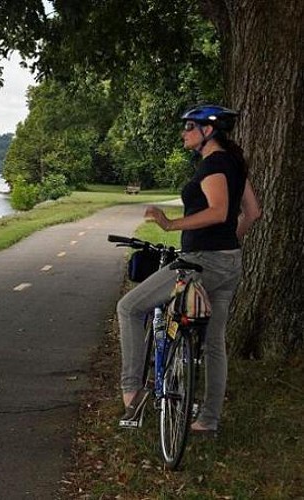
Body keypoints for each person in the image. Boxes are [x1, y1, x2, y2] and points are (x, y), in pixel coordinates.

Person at [117, 104, 261, 434]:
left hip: (200, 263)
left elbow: (217, 212)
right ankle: (207, 420)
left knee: (129, 307)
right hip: (228, 263)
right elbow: (252, 212)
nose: (184, 132)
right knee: (214, 343)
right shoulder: (235, 164)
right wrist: (227, 243)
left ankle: (132, 393)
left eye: (189, 126)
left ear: (208, 131)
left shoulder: (214, 165)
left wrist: (169, 224)